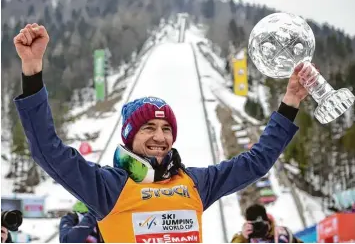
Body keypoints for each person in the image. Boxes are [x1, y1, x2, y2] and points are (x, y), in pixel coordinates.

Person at [13, 23, 309, 242]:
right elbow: (47, 150)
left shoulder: (196, 183)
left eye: (167, 128)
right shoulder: (106, 187)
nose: (160, 137)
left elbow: (257, 161)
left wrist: (291, 102)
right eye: (149, 128)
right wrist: (32, 69)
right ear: (129, 136)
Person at [231, 204, 303, 243]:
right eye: (255, 225)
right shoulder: (242, 239)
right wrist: (243, 238)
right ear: (247, 224)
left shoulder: (282, 235)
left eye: (261, 224)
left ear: (268, 222)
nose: (258, 229)